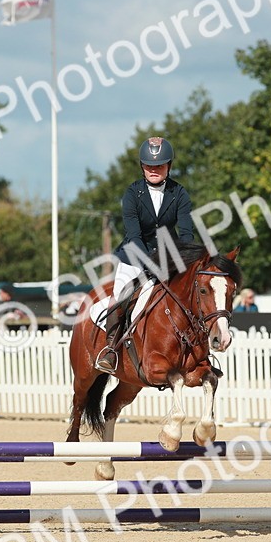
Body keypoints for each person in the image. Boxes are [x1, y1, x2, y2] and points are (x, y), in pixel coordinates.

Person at [94, 136, 194, 373]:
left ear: (168, 166)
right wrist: (150, 262)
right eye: (149, 165)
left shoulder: (179, 193)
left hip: (167, 257)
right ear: (142, 166)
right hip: (134, 257)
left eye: (159, 165)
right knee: (120, 297)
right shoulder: (132, 194)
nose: (154, 170)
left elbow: (186, 232)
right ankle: (110, 350)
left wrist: (184, 260)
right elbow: (134, 234)